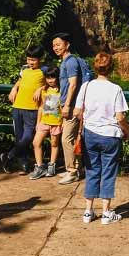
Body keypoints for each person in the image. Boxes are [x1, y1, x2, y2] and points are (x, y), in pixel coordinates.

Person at [75, 52, 129, 225]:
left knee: (92, 171)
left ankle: (88, 211)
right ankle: (106, 213)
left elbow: (77, 112)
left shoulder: (86, 86)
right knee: (108, 172)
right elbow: (120, 117)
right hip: (110, 136)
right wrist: (126, 131)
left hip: (90, 133)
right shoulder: (116, 89)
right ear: (111, 68)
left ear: (95, 67)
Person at [2, 44, 46, 174]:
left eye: (33, 60)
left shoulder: (45, 70)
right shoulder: (24, 69)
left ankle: (9, 156)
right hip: (17, 106)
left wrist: (41, 88)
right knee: (19, 137)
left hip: (32, 108)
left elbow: (52, 83)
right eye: (28, 59)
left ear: (40, 59)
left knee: (27, 136)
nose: (30, 62)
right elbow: (20, 80)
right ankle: (23, 162)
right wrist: (14, 88)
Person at [53, 33, 85, 184]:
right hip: (69, 104)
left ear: (67, 45)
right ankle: (75, 168)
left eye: (59, 44)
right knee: (70, 138)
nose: (56, 48)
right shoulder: (66, 62)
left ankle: (71, 171)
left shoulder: (70, 62)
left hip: (71, 106)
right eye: (54, 45)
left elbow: (73, 84)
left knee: (66, 139)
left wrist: (67, 105)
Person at [30, 66, 63, 179]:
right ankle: (39, 166)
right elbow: (41, 107)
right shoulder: (44, 90)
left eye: (53, 77)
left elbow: (63, 108)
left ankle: (51, 165)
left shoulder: (62, 90)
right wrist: (38, 122)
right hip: (44, 121)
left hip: (56, 122)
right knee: (36, 142)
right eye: (48, 78)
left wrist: (62, 123)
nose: (50, 80)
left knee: (54, 143)